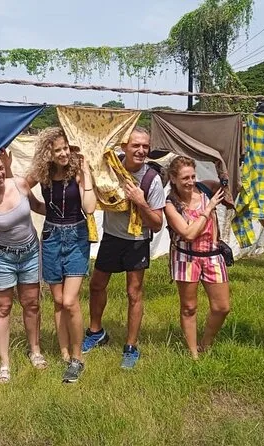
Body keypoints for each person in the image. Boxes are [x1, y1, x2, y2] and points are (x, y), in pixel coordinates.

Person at [82, 127, 166, 369]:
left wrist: (141, 202)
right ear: (124, 147)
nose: (141, 150)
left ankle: (131, 346)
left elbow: (157, 224)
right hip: (112, 236)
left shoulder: (152, 179)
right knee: (96, 285)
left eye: (145, 146)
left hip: (137, 239)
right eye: (136, 145)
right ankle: (96, 332)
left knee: (134, 293)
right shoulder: (110, 167)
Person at [27, 127, 96, 383]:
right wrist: (34, 202)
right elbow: (23, 187)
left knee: (69, 301)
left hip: (76, 236)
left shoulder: (77, 172)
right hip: (51, 236)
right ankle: (64, 352)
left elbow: (89, 207)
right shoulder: (43, 173)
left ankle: (78, 358)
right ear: (49, 152)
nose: (64, 153)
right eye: (58, 150)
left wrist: (86, 173)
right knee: (57, 300)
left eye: (66, 148)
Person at [0, 149, 47, 383]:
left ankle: (35, 350)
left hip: (30, 255)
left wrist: (68, 211)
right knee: (2, 308)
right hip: (1, 259)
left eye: (0, 168)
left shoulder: (20, 184)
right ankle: (4, 363)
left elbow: (38, 207)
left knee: (32, 304)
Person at [164, 156, 231, 359]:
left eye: (193, 176)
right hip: (186, 257)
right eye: (185, 178)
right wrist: (208, 208)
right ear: (173, 178)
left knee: (222, 307)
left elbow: (230, 188)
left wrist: (225, 168)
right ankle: (193, 353)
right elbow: (189, 234)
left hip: (212, 254)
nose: (191, 181)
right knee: (189, 307)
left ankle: (205, 343)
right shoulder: (170, 204)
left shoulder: (206, 188)